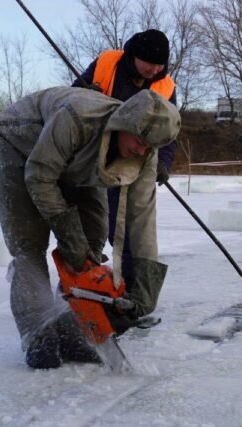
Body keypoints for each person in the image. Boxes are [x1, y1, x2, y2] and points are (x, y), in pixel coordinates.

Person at [0, 87, 181, 369]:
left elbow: (141, 216)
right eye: (140, 141)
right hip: (22, 143)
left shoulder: (144, 152)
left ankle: (70, 323)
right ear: (125, 124)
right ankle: (37, 332)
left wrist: (144, 291)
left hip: (76, 160)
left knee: (91, 239)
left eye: (149, 147)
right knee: (28, 243)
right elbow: (40, 176)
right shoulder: (77, 119)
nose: (141, 150)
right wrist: (67, 233)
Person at [73, 30, 177, 289]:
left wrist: (163, 162)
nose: (154, 70)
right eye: (149, 63)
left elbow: (168, 132)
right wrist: (86, 95)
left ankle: (131, 287)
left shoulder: (166, 87)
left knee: (131, 227)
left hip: (135, 160)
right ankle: (80, 283)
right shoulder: (106, 64)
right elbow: (71, 99)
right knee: (91, 222)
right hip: (94, 155)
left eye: (159, 65)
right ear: (135, 55)